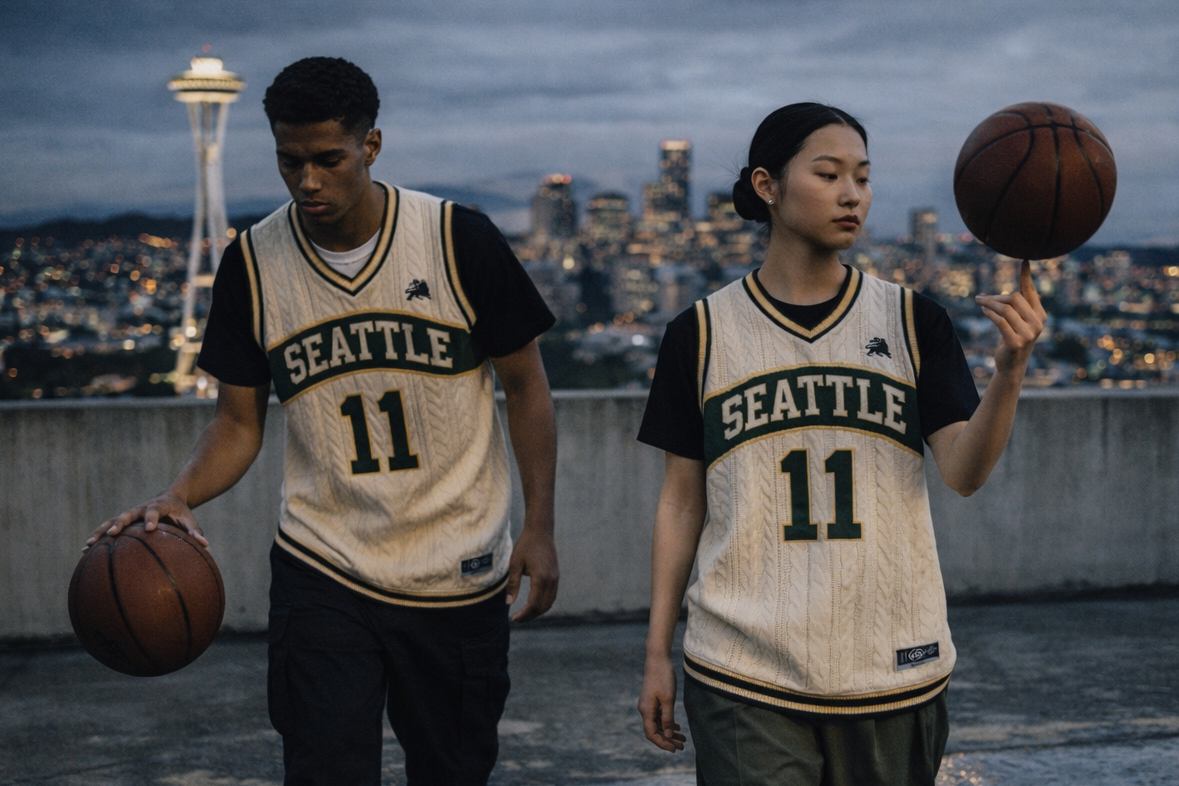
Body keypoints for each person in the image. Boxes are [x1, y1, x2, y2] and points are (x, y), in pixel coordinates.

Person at [88, 57, 559, 785]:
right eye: (289, 161)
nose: (308, 181)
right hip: (324, 564)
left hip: (455, 568)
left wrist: (539, 526)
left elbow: (527, 387)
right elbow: (237, 423)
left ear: (370, 146)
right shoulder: (251, 262)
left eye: (327, 160)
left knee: (454, 771)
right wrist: (178, 495)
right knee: (324, 771)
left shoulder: (457, 238)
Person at [635, 103, 1045, 785]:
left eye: (862, 176)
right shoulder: (700, 334)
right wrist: (654, 653)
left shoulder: (914, 321)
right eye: (827, 174)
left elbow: (964, 472)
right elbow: (680, 503)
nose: (851, 193)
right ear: (766, 186)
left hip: (889, 658)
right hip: (743, 664)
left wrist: (1009, 370)